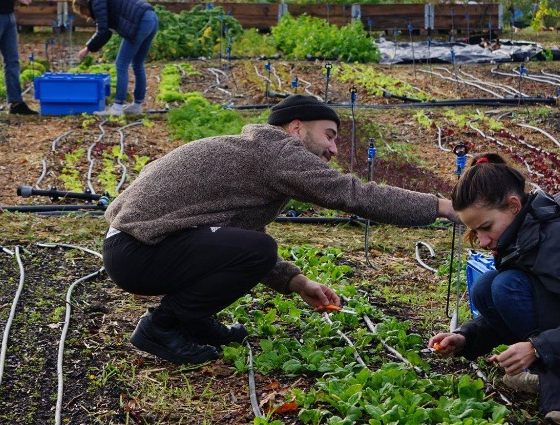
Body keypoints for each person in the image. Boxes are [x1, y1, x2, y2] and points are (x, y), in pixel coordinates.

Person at [102, 95, 459, 365]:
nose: (334, 149)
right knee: (258, 247)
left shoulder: (258, 155)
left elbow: (235, 240)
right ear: (296, 127)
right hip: (140, 251)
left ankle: (190, 321)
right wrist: (443, 207)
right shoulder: (277, 152)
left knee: (253, 246)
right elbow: (354, 195)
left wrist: (298, 283)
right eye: (329, 135)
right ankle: (162, 326)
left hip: (136, 249)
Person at [428, 153, 560, 425]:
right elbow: (540, 303)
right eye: (476, 233)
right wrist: (467, 336)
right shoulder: (524, 233)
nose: (484, 241)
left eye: (486, 228)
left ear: (513, 205)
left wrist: (536, 348)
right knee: (488, 287)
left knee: (505, 286)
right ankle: (550, 375)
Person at [75, 0, 158, 116]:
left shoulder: (96, 1)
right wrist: (92, 47)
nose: (87, 16)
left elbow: (102, 30)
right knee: (138, 63)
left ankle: (117, 107)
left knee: (121, 64)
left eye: (84, 13)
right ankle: (137, 105)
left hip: (140, 20)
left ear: (83, 6)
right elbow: (107, 31)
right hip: (151, 18)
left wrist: (87, 48)